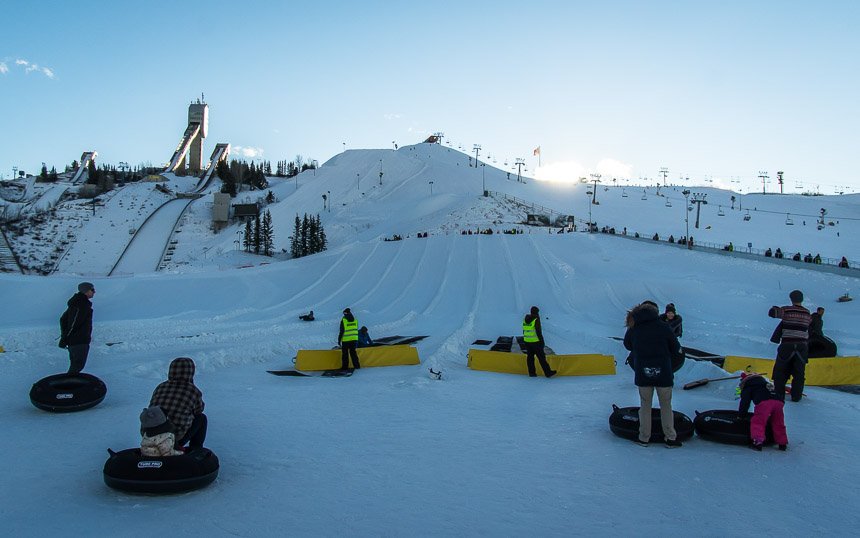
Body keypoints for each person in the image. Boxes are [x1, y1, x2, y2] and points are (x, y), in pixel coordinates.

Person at [623, 301, 684, 448]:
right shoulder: (664, 327)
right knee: (666, 405)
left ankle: (644, 438)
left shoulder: (635, 327)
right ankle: (670, 438)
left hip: (643, 372)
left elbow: (627, 345)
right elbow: (676, 347)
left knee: (645, 405)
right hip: (664, 372)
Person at [149, 357, 207, 450]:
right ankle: (196, 450)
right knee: (201, 418)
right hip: (173, 439)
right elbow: (199, 410)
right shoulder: (192, 390)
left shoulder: (160, 386)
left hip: (149, 435)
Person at [768, 290, 812, 402]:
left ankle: (779, 396)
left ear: (791, 299)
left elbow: (772, 313)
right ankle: (796, 396)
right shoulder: (807, 313)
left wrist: (775, 308)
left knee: (780, 371)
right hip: (802, 346)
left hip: (787, 344)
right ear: (802, 299)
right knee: (799, 373)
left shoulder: (787, 310)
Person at [738, 373, 788, 451]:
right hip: (778, 401)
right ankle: (782, 443)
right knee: (778, 422)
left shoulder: (748, 386)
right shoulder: (765, 383)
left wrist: (741, 415)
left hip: (764, 402)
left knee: (758, 422)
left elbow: (745, 402)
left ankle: (757, 442)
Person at [58, 282, 96, 374]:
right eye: (92, 290)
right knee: (77, 366)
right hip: (79, 341)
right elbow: (73, 323)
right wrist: (64, 338)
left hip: (76, 341)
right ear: (86, 291)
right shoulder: (81, 304)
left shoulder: (78, 303)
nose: (94, 292)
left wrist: (65, 336)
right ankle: (68, 382)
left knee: (76, 366)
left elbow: (63, 319)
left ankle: (70, 381)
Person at [522, 306, 556, 378]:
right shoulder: (536, 319)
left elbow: (524, 330)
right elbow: (538, 331)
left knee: (530, 357)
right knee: (541, 357)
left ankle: (532, 373)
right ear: (537, 312)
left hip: (527, 341)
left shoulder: (525, 319)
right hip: (535, 342)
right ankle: (548, 372)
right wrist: (542, 341)